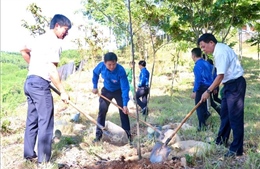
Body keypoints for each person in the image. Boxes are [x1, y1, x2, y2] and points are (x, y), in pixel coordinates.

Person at [20, 14, 72, 165]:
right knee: (46, 122)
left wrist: (34, 67)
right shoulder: (54, 43)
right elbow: (52, 70)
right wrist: (62, 91)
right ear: (57, 26)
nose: (66, 33)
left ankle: (29, 155)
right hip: (40, 85)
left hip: (30, 82)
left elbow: (23, 50)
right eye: (65, 29)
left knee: (33, 120)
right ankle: (43, 161)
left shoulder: (38, 38)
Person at [198, 33, 246, 158]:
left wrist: (208, 91)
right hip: (228, 86)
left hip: (235, 85)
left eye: (204, 46)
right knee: (225, 114)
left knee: (235, 118)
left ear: (211, 43)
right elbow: (221, 75)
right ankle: (221, 140)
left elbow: (220, 75)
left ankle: (237, 149)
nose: (203, 50)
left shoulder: (220, 52)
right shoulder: (219, 50)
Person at [92, 52, 132, 145]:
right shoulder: (101, 66)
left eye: (114, 64)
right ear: (105, 63)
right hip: (106, 90)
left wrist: (125, 104)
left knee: (124, 112)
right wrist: (94, 86)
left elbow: (125, 87)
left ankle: (128, 136)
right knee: (102, 111)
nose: (112, 66)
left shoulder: (120, 70)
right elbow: (95, 73)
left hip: (119, 91)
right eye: (109, 64)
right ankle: (98, 136)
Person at [190, 48, 213, 131]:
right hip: (208, 87)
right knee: (203, 104)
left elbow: (198, 79)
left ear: (193, 55)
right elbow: (213, 73)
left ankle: (202, 126)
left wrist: (194, 91)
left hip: (201, 87)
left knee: (198, 106)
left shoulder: (197, 66)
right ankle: (206, 116)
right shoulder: (207, 64)